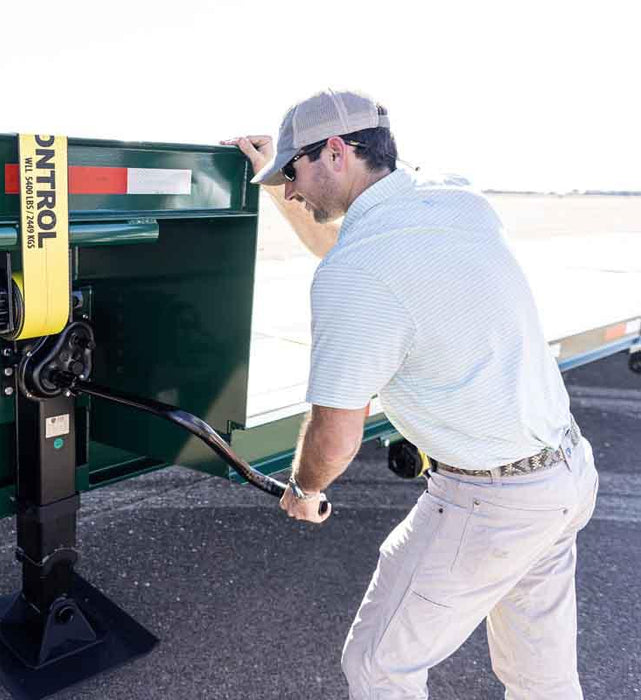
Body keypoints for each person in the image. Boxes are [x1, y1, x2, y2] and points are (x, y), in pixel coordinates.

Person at [224, 89, 599, 699]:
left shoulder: (357, 274)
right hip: (564, 475)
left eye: (292, 172)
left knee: (377, 667)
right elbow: (357, 243)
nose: (290, 190)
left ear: (336, 152)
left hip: (492, 502)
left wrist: (306, 488)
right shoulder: (457, 197)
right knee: (541, 675)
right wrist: (273, 181)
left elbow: (336, 433)